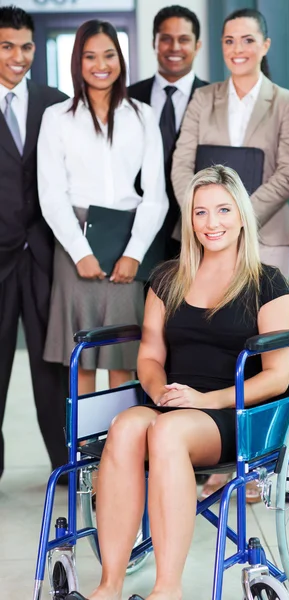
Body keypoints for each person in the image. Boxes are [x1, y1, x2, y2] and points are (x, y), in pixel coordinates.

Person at [64, 164, 289, 600]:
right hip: (171, 402)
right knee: (127, 425)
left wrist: (206, 400)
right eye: (201, 212)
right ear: (189, 220)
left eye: (223, 210)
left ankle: (167, 590)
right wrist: (161, 393)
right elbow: (149, 356)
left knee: (166, 431)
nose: (212, 223)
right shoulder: (168, 279)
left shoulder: (267, 283)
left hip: (231, 412)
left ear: (242, 215)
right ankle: (109, 584)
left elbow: (276, 377)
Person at [171, 7, 289, 501]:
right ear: (220, 47)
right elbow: (183, 163)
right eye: (229, 40)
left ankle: (258, 460)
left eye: (248, 40)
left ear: (265, 46)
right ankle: (212, 451)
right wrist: (207, 212)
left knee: (262, 350)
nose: (238, 49)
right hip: (208, 235)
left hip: (268, 235)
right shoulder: (204, 98)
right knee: (213, 341)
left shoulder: (285, 101)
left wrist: (240, 213)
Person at [37, 20, 168, 397]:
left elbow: (156, 195)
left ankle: (120, 451)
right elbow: (52, 194)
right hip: (74, 241)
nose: (101, 64)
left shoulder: (143, 115)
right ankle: (84, 455)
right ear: (78, 61)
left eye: (109, 55)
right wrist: (80, 252)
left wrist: (134, 253)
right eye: (90, 56)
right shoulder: (57, 117)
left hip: (127, 240)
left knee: (122, 357)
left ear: (121, 59)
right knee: (82, 358)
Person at [0, 5, 68, 484]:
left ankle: (64, 464)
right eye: (6, 46)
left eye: (25, 46)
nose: (18, 56)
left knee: (52, 368)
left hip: (45, 257)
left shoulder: (56, 102)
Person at [128, 5, 208, 274]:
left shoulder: (214, 98)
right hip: (137, 230)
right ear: (154, 43)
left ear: (197, 45)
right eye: (166, 38)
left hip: (197, 229)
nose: (175, 47)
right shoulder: (127, 98)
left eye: (183, 39)